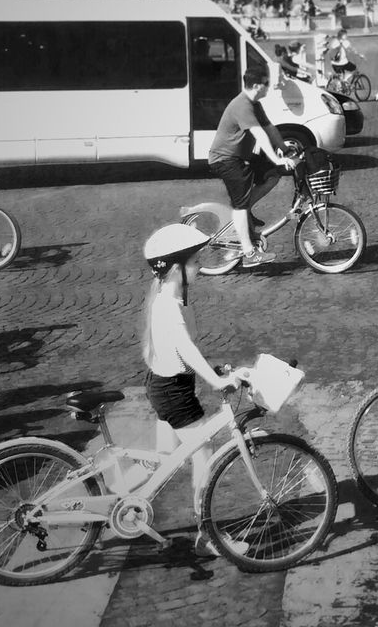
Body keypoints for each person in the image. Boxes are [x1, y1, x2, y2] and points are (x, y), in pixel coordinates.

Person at [140, 224, 245, 556]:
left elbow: (180, 353)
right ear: (175, 268)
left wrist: (212, 371)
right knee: (205, 461)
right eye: (195, 261)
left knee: (160, 465)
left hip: (167, 386)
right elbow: (186, 350)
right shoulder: (169, 306)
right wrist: (217, 381)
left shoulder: (167, 297)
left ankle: (121, 504)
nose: (200, 266)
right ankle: (208, 537)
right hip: (175, 395)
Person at [207, 67, 297, 268]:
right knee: (240, 204)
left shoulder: (255, 104)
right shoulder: (242, 105)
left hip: (240, 157)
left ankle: (246, 211)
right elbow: (260, 134)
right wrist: (276, 157)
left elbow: (270, 128)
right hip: (225, 160)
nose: (269, 87)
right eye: (266, 83)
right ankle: (249, 253)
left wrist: (285, 148)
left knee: (272, 175)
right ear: (257, 86)